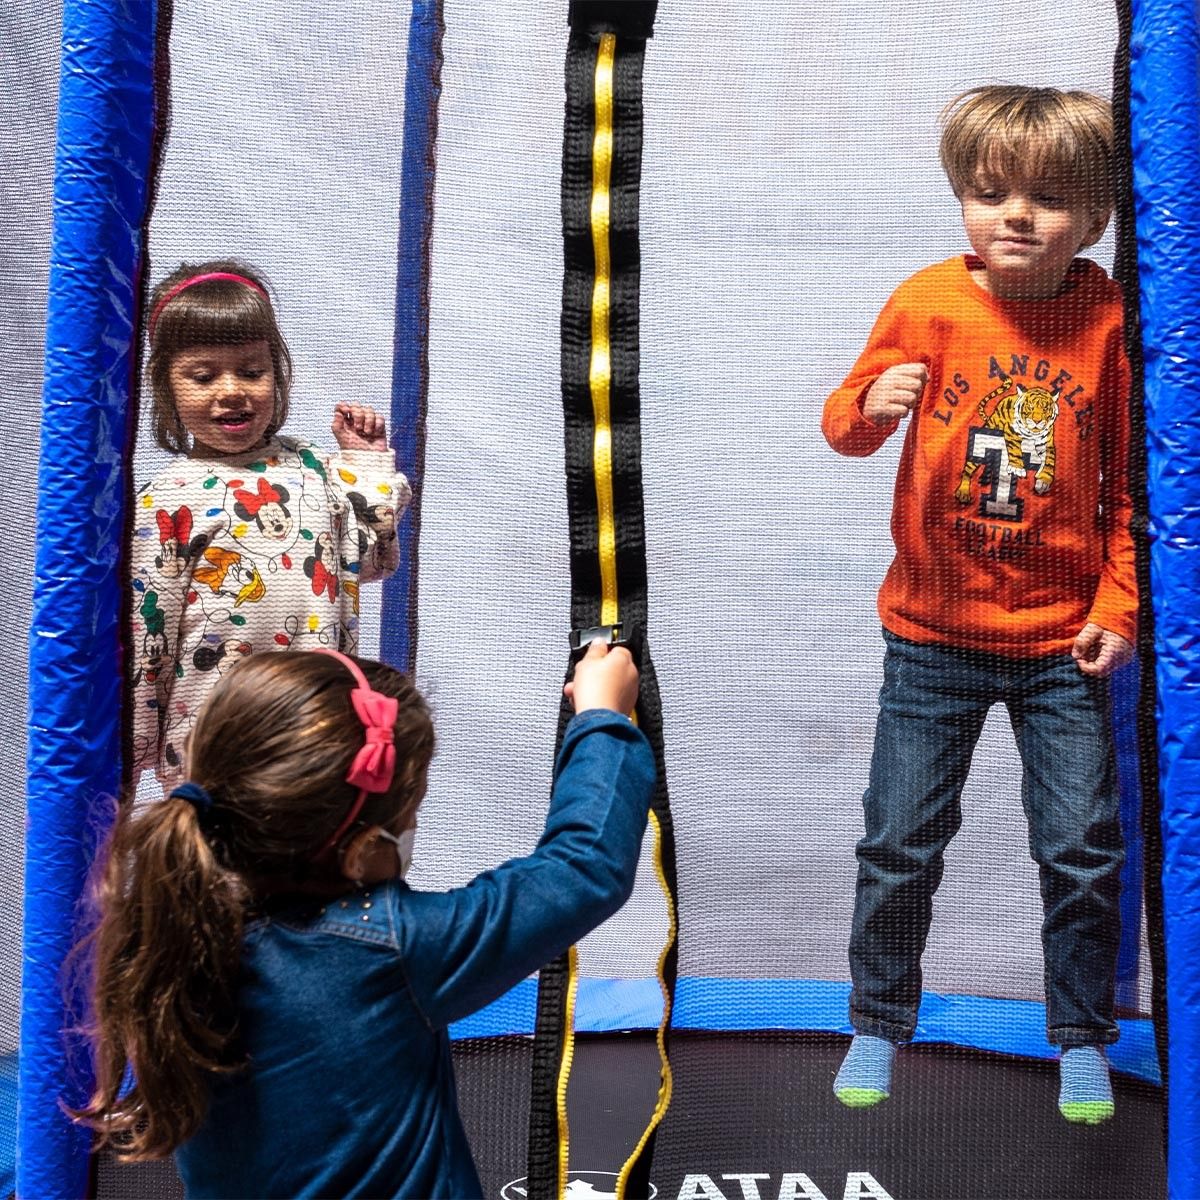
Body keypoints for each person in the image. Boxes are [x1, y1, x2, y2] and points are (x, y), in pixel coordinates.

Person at [821, 85, 1136, 1124]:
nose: (1014, 216)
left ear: (1093, 219)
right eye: (989, 193)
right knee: (900, 840)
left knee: (1081, 846)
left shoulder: (1108, 320)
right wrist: (868, 404)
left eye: (1047, 199)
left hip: (1057, 643)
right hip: (930, 637)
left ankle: (1081, 1037)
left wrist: (1120, 605)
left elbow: (1136, 489)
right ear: (962, 197)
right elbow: (844, 426)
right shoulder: (927, 301)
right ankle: (877, 1020)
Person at [72, 639, 654, 1197]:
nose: (413, 828)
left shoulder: (178, 941)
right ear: (358, 848)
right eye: (412, 813)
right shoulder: (387, 950)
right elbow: (581, 868)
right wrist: (602, 718)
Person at [128, 261, 411, 789]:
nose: (232, 390)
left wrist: (366, 463)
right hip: (215, 740)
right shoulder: (166, 500)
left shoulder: (311, 468)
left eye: (252, 371)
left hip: (318, 725)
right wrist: (130, 753)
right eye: (203, 376)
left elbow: (371, 557)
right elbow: (149, 637)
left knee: (309, 857)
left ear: (277, 373)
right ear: (167, 386)